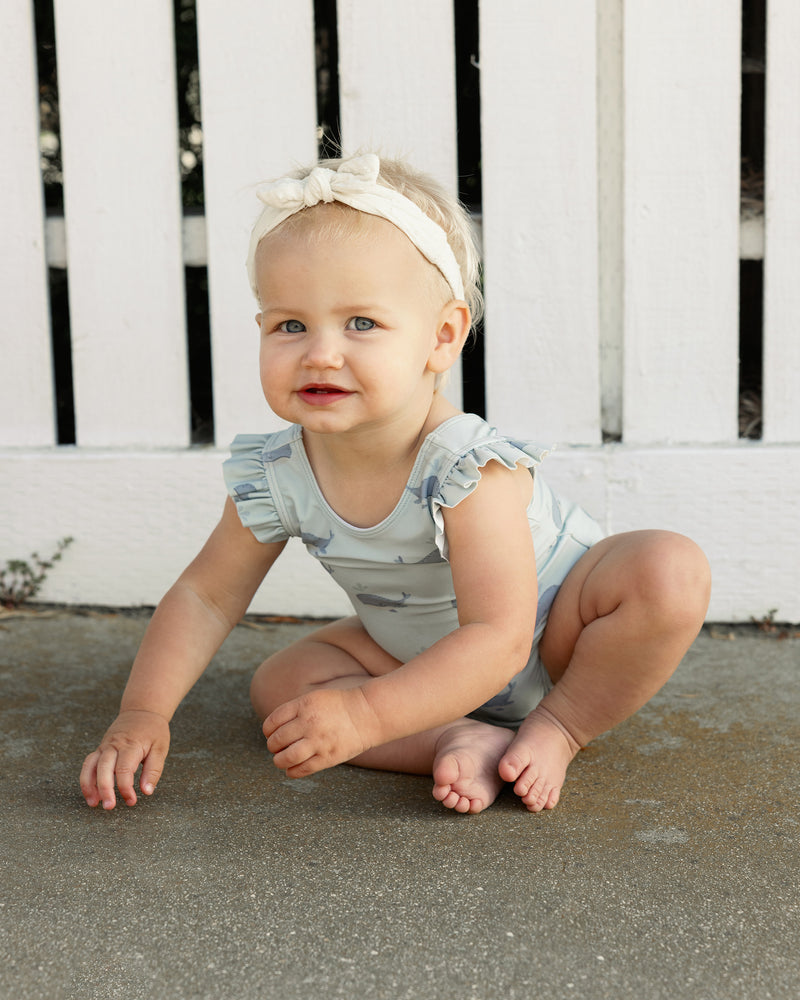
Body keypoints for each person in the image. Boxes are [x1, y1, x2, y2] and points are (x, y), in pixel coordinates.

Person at [80, 153, 711, 815]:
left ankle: (558, 729)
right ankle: (457, 740)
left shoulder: (466, 467)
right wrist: (144, 711)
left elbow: (499, 637)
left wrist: (365, 714)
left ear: (442, 338)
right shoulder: (278, 473)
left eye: (361, 323)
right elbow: (206, 596)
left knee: (666, 570)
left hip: (554, 639)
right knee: (283, 689)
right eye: (290, 325)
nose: (321, 352)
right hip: (414, 657)